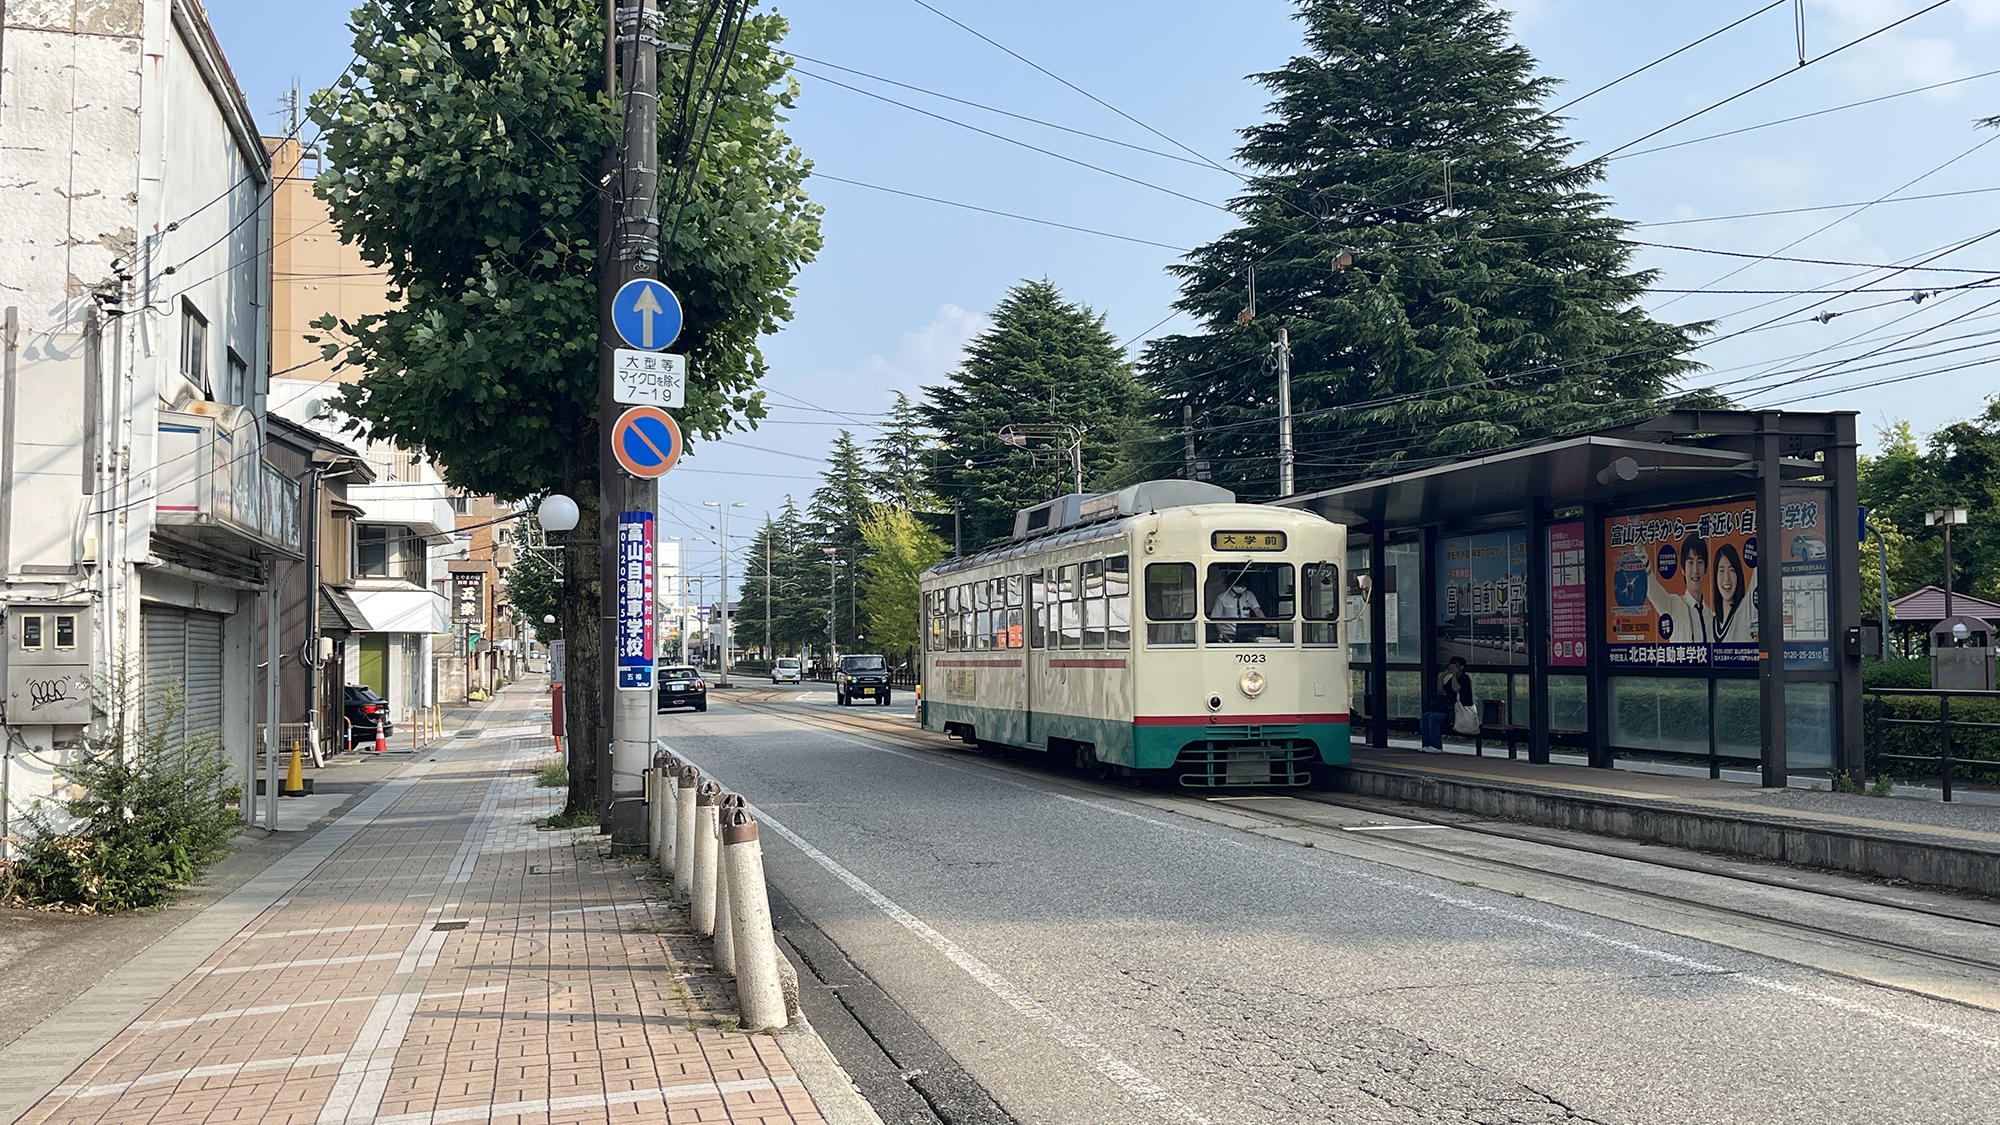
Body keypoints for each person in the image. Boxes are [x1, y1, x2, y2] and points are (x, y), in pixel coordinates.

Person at [1645, 537, 1712, 644]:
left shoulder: (1711, 617)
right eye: (1690, 563)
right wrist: (1641, 553)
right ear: (1683, 569)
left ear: (1705, 569)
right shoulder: (1673, 605)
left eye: (1700, 562)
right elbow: (1653, 590)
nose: (1695, 570)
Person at [1420, 656, 1472, 750]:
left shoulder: (1464, 678)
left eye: (1455, 664)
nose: (1451, 667)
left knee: (1433, 718)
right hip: (1448, 710)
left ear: (1461, 667)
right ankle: (1427, 745)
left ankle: (1436, 746)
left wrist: (1454, 675)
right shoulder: (1452, 679)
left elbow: (1456, 689)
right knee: (1425, 716)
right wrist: (1441, 677)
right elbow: (1441, 692)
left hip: (1458, 712)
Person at [1711, 543, 1757, 643]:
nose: (1726, 578)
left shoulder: (1745, 611)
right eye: (1721, 571)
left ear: (1738, 574)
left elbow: (1758, 572)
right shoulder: (1710, 622)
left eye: (1731, 570)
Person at [1210, 574, 1266, 641]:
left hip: (1245, 633)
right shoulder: (1222, 598)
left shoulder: (1249, 595)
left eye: (1243, 585)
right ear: (1231, 584)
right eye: (1239, 585)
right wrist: (1225, 636)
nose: (1241, 587)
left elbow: (1257, 610)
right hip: (1228, 634)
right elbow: (1216, 620)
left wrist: (1266, 622)